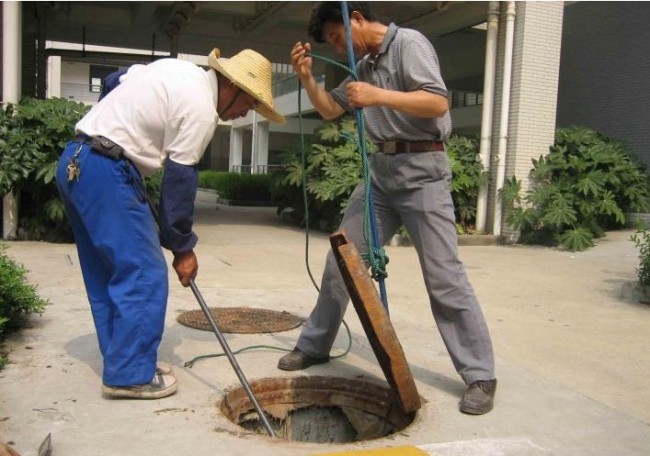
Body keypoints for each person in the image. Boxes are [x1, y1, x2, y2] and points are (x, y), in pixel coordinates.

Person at [277, 2, 497, 415]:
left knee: (444, 276)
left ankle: (480, 374)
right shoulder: (363, 64)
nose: (339, 47)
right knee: (342, 259)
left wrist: (377, 95)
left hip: (423, 171)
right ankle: (314, 344)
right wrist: (306, 78)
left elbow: (437, 103)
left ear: (356, 17)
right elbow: (329, 109)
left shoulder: (409, 44)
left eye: (339, 37)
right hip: (380, 173)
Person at [56, 48, 284, 400]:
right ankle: (130, 374)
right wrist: (182, 248)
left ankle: (125, 361)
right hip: (107, 171)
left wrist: (113, 129)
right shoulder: (201, 109)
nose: (244, 113)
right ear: (229, 84)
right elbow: (179, 182)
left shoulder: (175, 70)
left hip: (77, 159)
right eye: (249, 102)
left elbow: (113, 79)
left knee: (107, 273)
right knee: (144, 274)